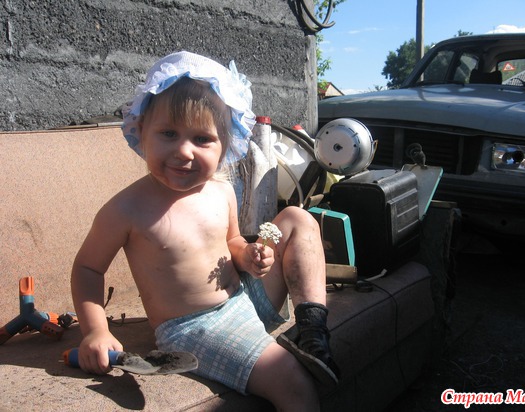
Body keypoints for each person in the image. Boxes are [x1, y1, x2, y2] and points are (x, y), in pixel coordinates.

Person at [71, 50, 339, 411]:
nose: (184, 151)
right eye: (169, 133)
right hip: (193, 329)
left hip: (244, 298)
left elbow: (231, 242)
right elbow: (88, 268)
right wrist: (96, 331)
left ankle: (312, 331)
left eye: (202, 139)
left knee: (296, 218)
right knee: (293, 382)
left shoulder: (221, 190)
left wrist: (249, 255)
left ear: (225, 145)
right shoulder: (126, 209)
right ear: (142, 131)